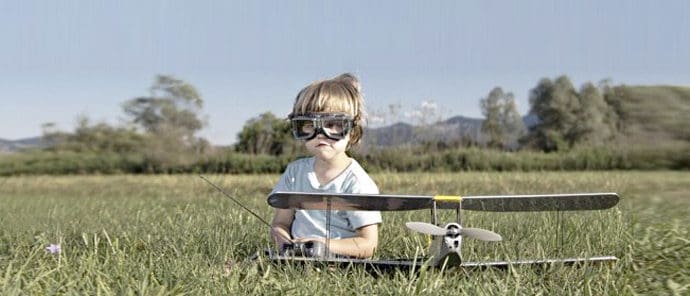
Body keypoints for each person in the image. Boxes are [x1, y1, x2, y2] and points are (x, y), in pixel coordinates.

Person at [270, 73, 381, 259]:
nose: (320, 134)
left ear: (352, 131)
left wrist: (322, 246)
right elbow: (280, 224)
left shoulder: (358, 183)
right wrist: (286, 247)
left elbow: (369, 245)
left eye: (333, 124)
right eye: (308, 124)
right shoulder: (295, 173)